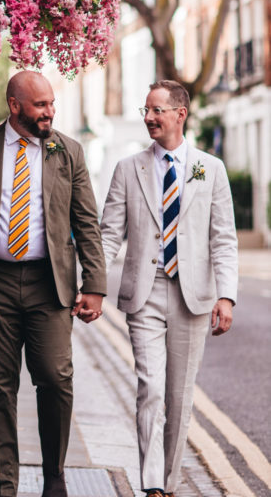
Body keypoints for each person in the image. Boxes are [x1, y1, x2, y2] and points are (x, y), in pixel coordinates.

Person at [0, 70, 106, 497]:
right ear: (15, 104)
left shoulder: (68, 151)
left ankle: (55, 476)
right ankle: (5, 487)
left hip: (49, 283)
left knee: (56, 378)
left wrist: (93, 282)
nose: (50, 112)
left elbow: (86, 224)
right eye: (40, 105)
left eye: (52, 104)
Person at [100, 79, 238, 497]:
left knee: (179, 397)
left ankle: (171, 481)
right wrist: (88, 283)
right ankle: (151, 484)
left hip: (192, 296)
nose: (148, 117)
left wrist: (226, 295)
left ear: (181, 113)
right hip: (144, 291)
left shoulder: (208, 168)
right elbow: (109, 235)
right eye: (146, 110)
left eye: (157, 110)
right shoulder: (129, 168)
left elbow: (224, 238)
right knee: (151, 388)